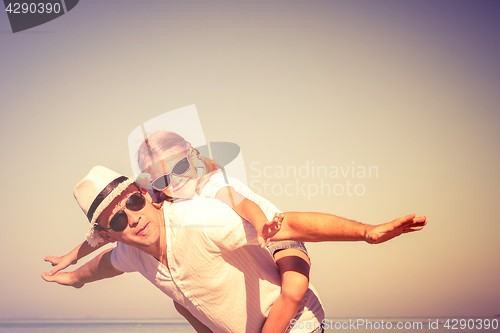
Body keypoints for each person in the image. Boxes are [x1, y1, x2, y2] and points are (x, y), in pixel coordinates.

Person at [42, 166, 427, 333]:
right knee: (179, 302)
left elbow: (287, 224)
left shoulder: (200, 218)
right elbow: (99, 267)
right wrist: (73, 278)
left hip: (297, 324)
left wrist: (366, 232)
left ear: (149, 197)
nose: (133, 218)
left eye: (135, 204)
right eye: (119, 220)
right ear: (110, 234)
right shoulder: (131, 253)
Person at [46, 130, 314, 333]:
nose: (176, 180)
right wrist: (72, 258)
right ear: (152, 182)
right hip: (251, 236)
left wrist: (263, 228)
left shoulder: (212, 187)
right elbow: (104, 240)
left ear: (193, 155)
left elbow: (246, 206)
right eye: (163, 178)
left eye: (182, 167)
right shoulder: (159, 193)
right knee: (181, 302)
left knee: (293, 289)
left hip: (273, 232)